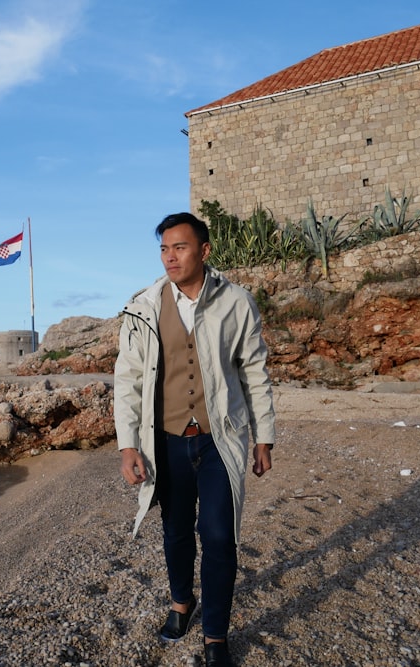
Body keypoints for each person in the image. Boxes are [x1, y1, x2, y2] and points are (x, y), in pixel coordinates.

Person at [113, 212, 275, 667]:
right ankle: (182, 603)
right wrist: (128, 446)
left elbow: (255, 373)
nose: (170, 257)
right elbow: (127, 381)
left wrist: (264, 437)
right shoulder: (143, 307)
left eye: (179, 247)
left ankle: (216, 634)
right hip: (164, 441)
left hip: (218, 439)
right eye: (164, 249)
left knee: (220, 536)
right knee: (177, 532)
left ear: (204, 251)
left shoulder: (237, 302)